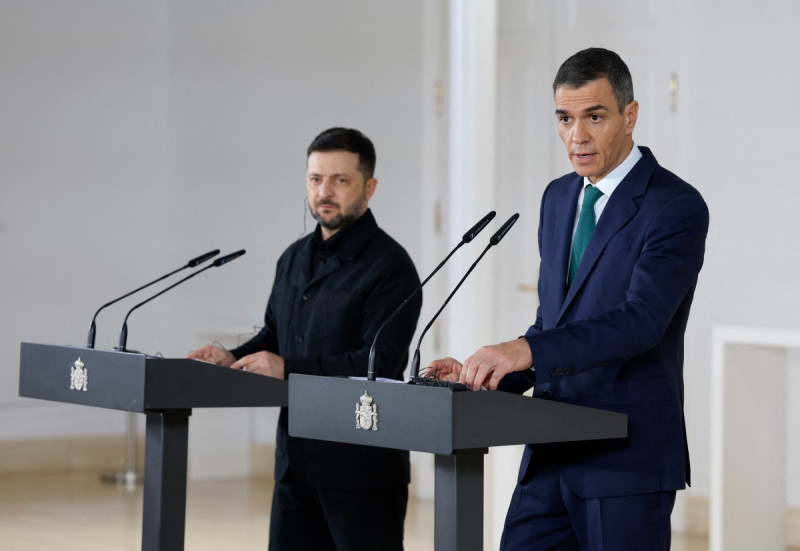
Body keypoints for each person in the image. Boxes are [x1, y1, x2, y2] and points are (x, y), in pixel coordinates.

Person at [428, 48, 709, 549]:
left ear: (630, 115)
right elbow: (552, 323)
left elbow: (641, 321)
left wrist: (527, 350)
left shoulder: (675, 205)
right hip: (550, 450)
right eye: (564, 118)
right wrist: (489, 373)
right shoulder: (559, 197)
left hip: (625, 457)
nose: (576, 137)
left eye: (594, 117)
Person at [189, 127, 422, 550]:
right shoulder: (293, 258)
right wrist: (232, 358)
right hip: (296, 461)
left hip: (361, 466)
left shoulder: (390, 267)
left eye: (340, 180)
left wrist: (286, 370)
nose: (324, 192)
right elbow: (276, 337)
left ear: (369, 188)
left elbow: (378, 365)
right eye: (315, 180)